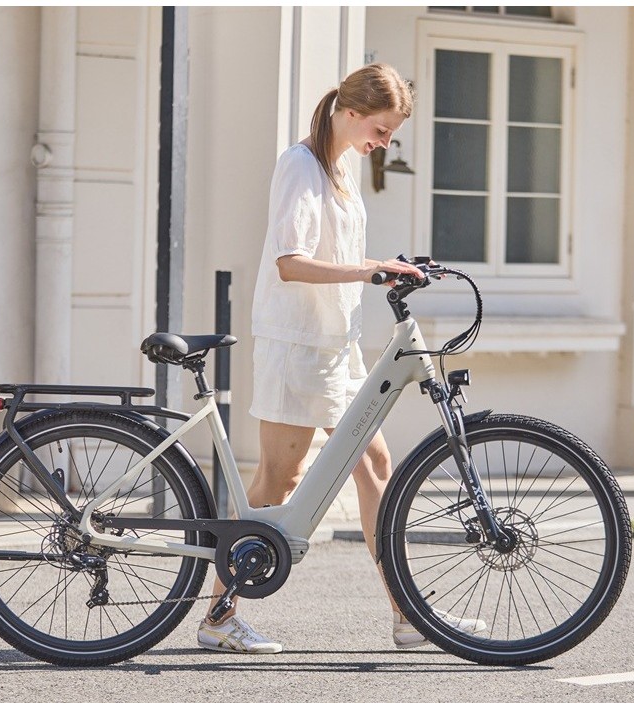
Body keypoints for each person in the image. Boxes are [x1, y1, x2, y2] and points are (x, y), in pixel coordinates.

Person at [197, 63, 486, 653]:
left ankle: (409, 616)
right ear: (350, 114)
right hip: (297, 344)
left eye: (389, 135)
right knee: (282, 479)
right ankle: (219, 616)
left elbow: (341, 253)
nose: (383, 143)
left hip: (336, 343)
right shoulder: (299, 165)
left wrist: (388, 266)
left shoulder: (341, 170)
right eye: (380, 130)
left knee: (377, 468)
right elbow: (291, 262)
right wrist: (371, 268)